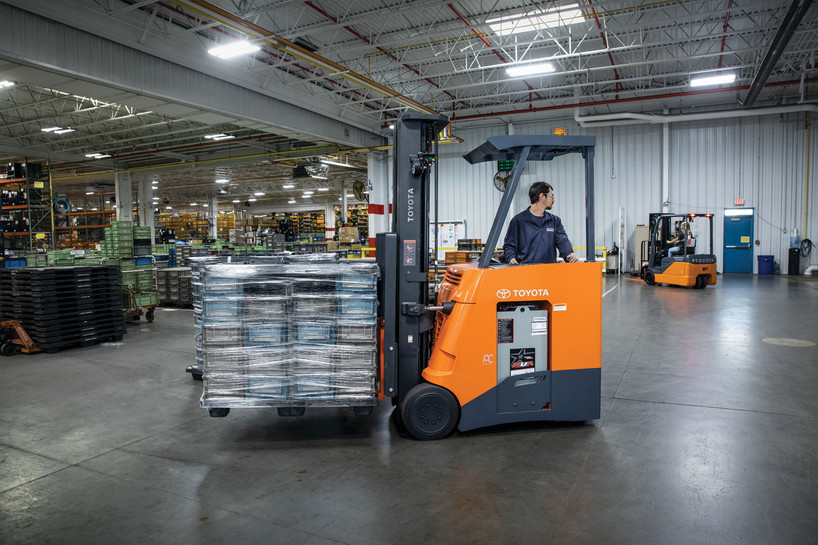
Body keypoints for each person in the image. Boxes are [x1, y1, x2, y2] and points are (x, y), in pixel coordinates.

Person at [503, 181, 579, 264]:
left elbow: (562, 241)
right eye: (551, 196)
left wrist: (569, 253)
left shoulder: (554, 221)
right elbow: (509, 245)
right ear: (542, 196)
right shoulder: (518, 221)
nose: (553, 200)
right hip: (526, 272)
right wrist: (511, 258)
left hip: (548, 272)